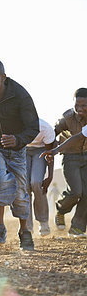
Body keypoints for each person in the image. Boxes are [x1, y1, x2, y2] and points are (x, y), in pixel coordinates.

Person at [0, 59, 39, 251]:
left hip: (17, 149)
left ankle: (24, 232)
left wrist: (18, 139)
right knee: (0, 180)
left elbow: (33, 128)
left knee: (20, 192)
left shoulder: (21, 96)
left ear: (3, 78)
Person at [51, 88, 87, 233]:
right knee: (76, 191)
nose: (79, 109)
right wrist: (53, 146)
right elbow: (53, 130)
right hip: (70, 157)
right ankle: (60, 210)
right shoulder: (68, 117)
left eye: (84, 105)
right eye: (77, 105)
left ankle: (77, 228)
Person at [24, 118, 56, 236]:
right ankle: (26, 225)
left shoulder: (45, 129)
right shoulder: (16, 123)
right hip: (23, 150)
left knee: (37, 183)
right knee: (24, 186)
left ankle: (43, 222)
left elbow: (50, 154)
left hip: (41, 151)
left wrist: (50, 176)